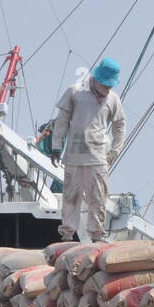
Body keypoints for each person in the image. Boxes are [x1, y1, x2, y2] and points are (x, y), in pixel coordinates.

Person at [51, 58, 126, 242]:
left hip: (99, 156)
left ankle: (97, 235)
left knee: (98, 197)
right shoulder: (76, 92)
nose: (108, 89)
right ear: (97, 79)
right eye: (105, 84)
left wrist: (115, 150)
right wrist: (56, 145)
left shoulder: (113, 99)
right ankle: (67, 234)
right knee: (71, 196)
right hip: (74, 155)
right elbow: (61, 120)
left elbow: (120, 126)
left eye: (111, 85)